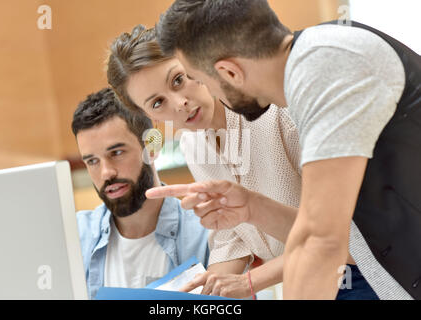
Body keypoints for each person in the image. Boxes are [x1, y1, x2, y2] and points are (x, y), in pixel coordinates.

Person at [149, 0, 421, 300]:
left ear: (229, 72)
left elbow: (321, 240)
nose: (210, 95)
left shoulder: (324, 65)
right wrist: (252, 207)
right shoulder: (313, 66)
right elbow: (348, 239)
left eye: (201, 81)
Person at [106, 25, 302, 299]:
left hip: (361, 275)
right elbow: (233, 238)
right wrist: (202, 293)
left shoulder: (278, 110)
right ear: (149, 116)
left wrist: (250, 281)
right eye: (158, 103)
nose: (180, 103)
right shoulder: (193, 144)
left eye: (178, 80)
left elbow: (345, 235)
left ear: (193, 64)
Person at [71, 88, 209, 299]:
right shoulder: (73, 238)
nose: (106, 172)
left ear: (152, 147)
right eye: (92, 161)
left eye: (116, 153)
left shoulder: (205, 233)